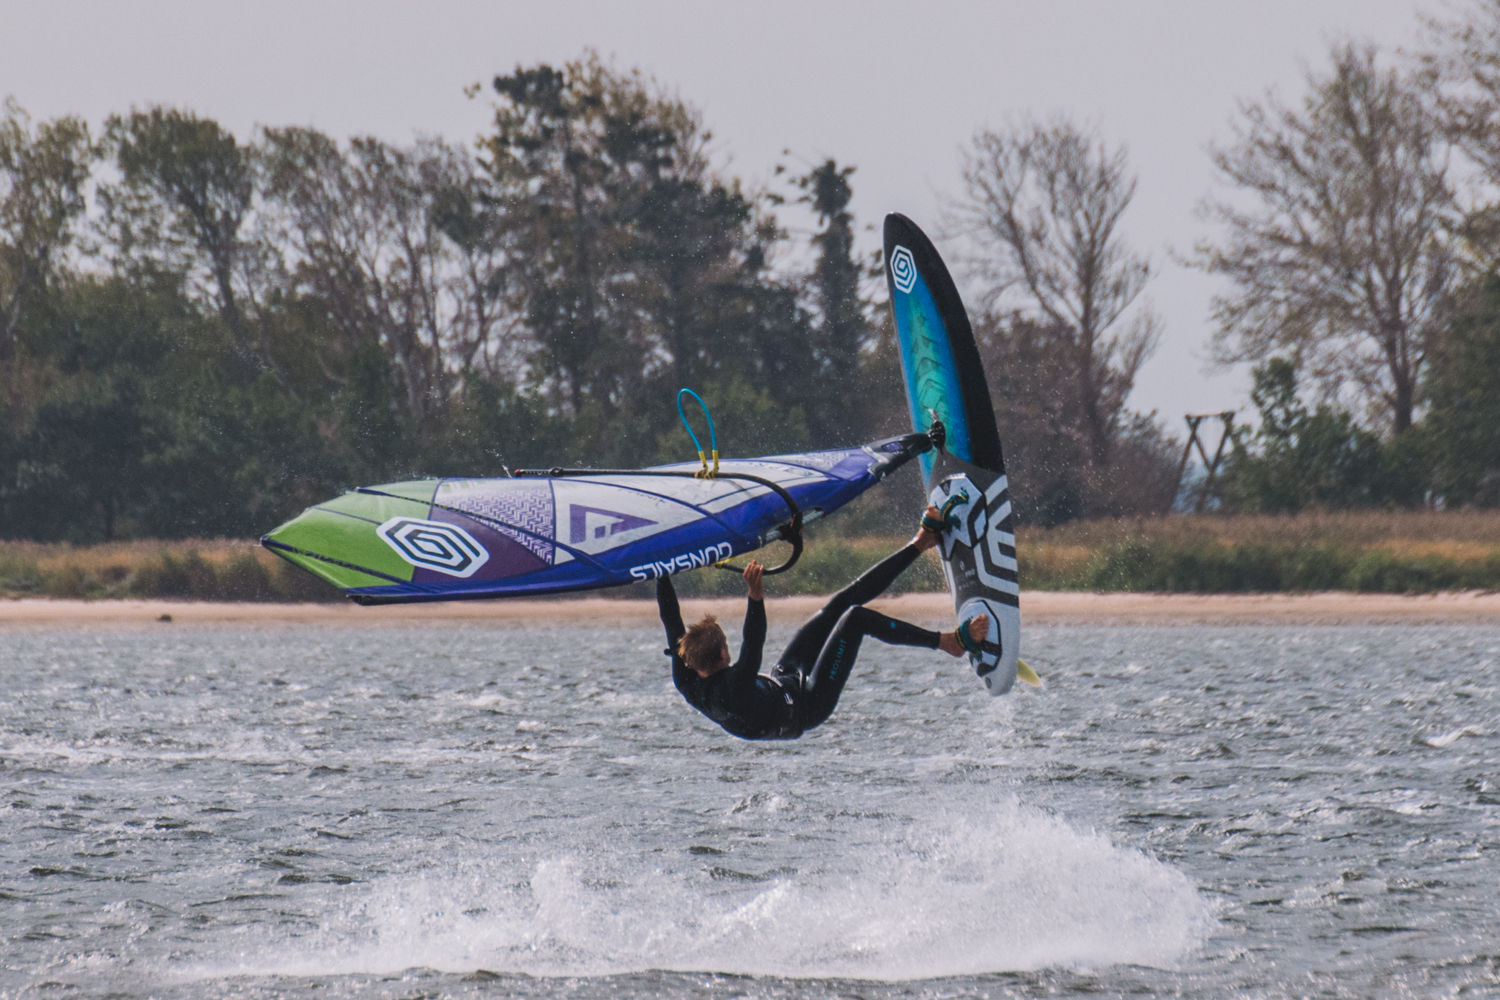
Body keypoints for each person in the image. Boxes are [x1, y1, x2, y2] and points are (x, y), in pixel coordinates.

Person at [656, 505, 989, 740]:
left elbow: (671, 619)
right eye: (726, 648)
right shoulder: (732, 687)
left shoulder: (685, 678)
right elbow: (753, 642)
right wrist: (755, 595)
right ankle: (949, 643)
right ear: (722, 658)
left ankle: (922, 542)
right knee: (855, 620)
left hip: (781, 683)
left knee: (837, 606)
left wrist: (659, 566)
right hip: (805, 707)